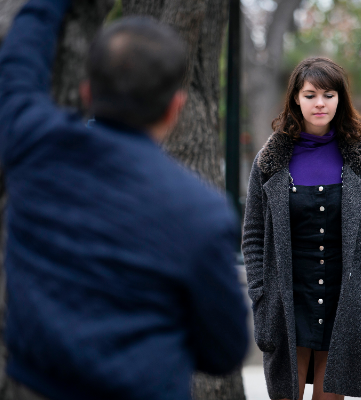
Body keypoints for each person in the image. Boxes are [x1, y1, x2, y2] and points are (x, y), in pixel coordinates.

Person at [0, 0, 249, 399]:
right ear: (175, 108)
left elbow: (16, 69)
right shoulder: (200, 211)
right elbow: (225, 349)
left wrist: (46, 6)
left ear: (86, 91)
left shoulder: (36, 146)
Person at [242, 57, 361, 400]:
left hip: (342, 297)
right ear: (295, 99)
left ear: (340, 99)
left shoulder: (358, 158)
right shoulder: (270, 161)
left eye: (329, 94)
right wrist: (262, 294)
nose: (320, 103)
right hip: (287, 297)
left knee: (330, 395)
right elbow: (252, 235)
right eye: (310, 95)